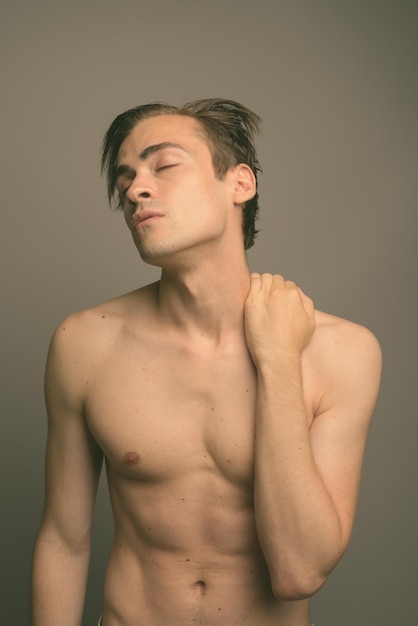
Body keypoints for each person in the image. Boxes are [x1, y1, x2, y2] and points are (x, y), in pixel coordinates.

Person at [31, 98, 382, 626]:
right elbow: (64, 539)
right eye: (125, 179)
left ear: (240, 184)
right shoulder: (84, 344)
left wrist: (279, 359)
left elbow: (299, 572)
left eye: (164, 165)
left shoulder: (342, 353)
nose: (134, 189)